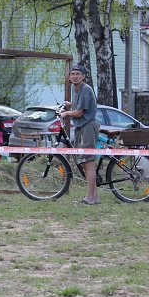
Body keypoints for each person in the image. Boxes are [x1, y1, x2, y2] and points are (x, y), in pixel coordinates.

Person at [61, 64, 99, 205]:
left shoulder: (86, 89)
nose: (75, 76)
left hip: (88, 126)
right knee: (84, 161)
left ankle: (90, 198)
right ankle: (94, 196)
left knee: (88, 161)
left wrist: (67, 113)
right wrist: (70, 104)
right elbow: (78, 106)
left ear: (83, 76)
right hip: (80, 127)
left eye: (78, 74)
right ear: (70, 77)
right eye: (73, 74)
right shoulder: (75, 89)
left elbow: (79, 113)